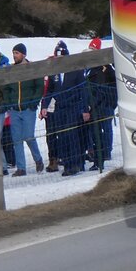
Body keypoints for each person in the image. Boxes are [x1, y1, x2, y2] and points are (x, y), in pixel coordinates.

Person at [42, 41, 89, 176]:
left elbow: (83, 89)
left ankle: (74, 164)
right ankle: (68, 162)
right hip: (59, 107)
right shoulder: (54, 72)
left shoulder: (76, 70)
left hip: (73, 106)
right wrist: (45, 106)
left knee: (72, 135)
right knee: (62, 136)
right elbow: (50, 90)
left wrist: (85, 109)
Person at [0, 43, 44, 177]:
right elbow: (6, 88)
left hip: (28, 108)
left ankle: (38, 159)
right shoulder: (11, 70)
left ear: (23, 54)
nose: (14, 55)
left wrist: (33, 102)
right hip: (14, 109)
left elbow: (39, 86)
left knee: (28, 136)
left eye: (17, 53)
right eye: (13, 53)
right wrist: (9, 103)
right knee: (16, 138)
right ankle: (21, 168)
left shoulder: (32, 68)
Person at [85, 38, 117, 171]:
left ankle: (107, 151)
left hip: (105, 102)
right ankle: (98, 152)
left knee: (106, 127)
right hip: (96, 103)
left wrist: (111, 100)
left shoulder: (105, 67)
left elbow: (109, 83)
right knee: (97, 129)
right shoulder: (89, 68)